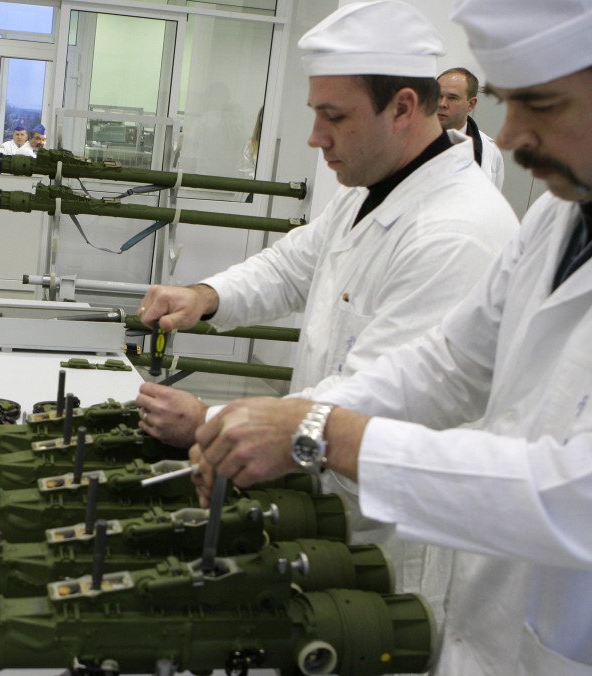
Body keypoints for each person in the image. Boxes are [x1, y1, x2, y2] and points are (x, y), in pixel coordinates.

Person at [188, 0, 592, 672]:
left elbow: (575, 495)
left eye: (541, 105)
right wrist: (299, 418)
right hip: (488, 621)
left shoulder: (467, 225)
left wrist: (327, 434)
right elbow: (449, 363)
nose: (510, 135)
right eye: (506, 102)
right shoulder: (559, 217)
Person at [135, 0, 518, 629]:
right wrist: (206, 295)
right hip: (323, 499)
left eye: (333, 117)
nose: (316, 137)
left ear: (402, 108)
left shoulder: (458, 231)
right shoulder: (374, 188)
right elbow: (292, 265)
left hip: (387, 534)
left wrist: (217, 420)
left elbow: (395, 394)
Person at [437, 66, 505, 189]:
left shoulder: (490, 152)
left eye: (452, 98)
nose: (442, 104)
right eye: (438, 95)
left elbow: (491, 202)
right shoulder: (409, 141)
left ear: (471, 104)